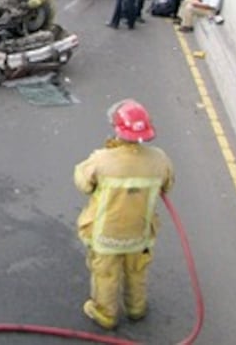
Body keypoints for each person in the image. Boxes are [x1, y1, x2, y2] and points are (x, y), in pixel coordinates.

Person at [74, 99, 174, 330]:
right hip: (139, 234)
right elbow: (167, 186)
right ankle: (136, 308)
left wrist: (109, 154)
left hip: (106, 234)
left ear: (117, 129)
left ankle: (106, 314)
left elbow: (83, 184)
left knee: (106, 274)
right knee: (136, 271)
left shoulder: (102, 160)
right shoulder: (159, 159)